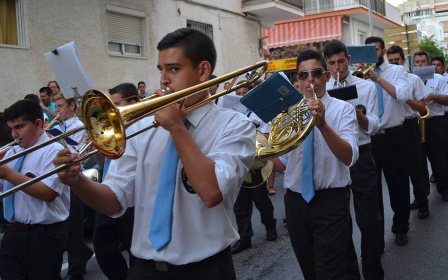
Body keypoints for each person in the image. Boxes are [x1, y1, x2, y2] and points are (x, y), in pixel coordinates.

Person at [54, 27, 256, 279]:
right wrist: (78, 182)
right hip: (143, 269)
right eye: (161, 70)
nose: (163, 80)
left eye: (174, 69)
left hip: (205, 269)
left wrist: (176, 127)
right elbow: (115, 200)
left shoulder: (235, 125)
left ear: (203, 71)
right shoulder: (140, 126)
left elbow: (211, 192)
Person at [273, 49, 359, 279]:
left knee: (329, 272)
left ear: (327, 76)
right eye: (303, 75)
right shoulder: (289, 114)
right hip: (295, 202)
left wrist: (323, 125)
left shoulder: (343, 110)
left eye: (316, 73)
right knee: (309, 271)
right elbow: (282, 165)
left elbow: (349, 156)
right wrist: (263, 144)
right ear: (297, 82)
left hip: (331, 201)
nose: (310, 79)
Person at [325, 40, 383, 280]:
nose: (337, 68)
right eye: (331, 64)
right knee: (340, 224)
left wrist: (355, 114)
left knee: (368, 220)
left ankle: (372, 271)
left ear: (348, 60)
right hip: (335, 157)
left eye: (341, 61)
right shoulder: (323, 89)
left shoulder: (366, 87)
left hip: (362, 153)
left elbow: (374, 126)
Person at [0, 99, 70, 280]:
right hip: (13, 231)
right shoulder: (11, 152)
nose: (14, 134)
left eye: (19, 127)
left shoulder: (55, 151)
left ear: (38, 123)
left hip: (43, 234)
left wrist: (8, 174)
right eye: (11, 129)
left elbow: (48, 193)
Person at [364, 36, 411, 247]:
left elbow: (401, 95)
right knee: (372, 194)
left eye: (374, 50)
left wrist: (378, 79)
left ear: (382, 51)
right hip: (370, 139)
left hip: (393, 135)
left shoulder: (397, 71)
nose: (371, 54)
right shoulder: (360, 76)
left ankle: (401, 228)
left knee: (398, 186)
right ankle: (377, 239)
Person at [92, 83, 139, 280]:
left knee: (135, 249)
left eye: (117, 104)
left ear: (133, 103)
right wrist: (98, 147)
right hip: (110, 190)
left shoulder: (140, 130)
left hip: (132, 198)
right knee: (102, 246)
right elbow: (104, 164)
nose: (111, 112)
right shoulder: (113, 130)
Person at [231, 81, 277, 254]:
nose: (241, 97)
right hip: (238, 162)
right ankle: (244, 238)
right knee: (240, 204)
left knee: (261, 199)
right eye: (238, 94)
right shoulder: (231, 114)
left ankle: (270, 226)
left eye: (244, 94)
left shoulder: (259, 112)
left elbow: (266, 134)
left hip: (255, 162)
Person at [53, 93, 93, 280]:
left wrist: (54, 138)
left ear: (71, 106)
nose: (57, 111)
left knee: (73, 226)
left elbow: (77, 151)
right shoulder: (60, 126)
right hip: (61, 179)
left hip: (75, 177)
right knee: (64, 225)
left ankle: (77, 271)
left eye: (60, 106)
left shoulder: (78, 126)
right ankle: (83, 251)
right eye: (56, 107)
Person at [386, 45, 430, 220]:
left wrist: (405, 98)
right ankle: (402, 212)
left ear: (403, 60)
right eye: (391, 61)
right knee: (397, 173)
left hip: (410, 125)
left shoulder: (413, 79)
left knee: (416, 168)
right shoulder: (382, 80)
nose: (395, 63)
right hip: (392, 130)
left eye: (397, 60)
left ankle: (422, 201)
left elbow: (422, 108)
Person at [413, 51, 448, 202]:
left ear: (428, 64)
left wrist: (432, 96)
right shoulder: (409, 80)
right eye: (417, 62)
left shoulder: (438, 78)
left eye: (423, 61)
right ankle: (421, 196)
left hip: (435, 122)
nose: (421, 64)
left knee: (438, 159)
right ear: (413, 64)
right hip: (416, 124)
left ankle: (444, 189)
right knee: (418, 163)